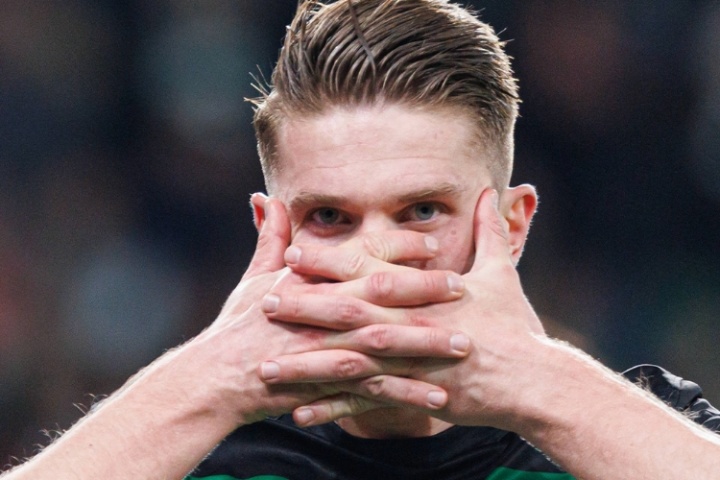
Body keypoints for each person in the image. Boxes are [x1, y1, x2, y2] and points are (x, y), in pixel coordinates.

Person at [3, 1, 720, 479]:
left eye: (422, 211)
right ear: (270, 234)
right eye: (329, 217)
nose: (375, 261)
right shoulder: (190, 455)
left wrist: (540, 386)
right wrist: (209, 383)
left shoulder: (636, 431)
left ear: (511, 226)